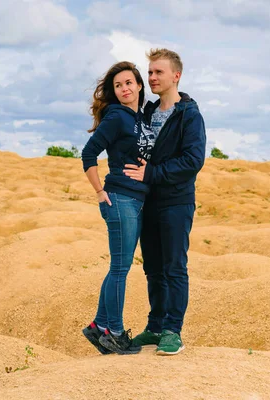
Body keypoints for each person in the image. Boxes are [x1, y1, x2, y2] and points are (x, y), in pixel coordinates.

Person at [123, 48, 206, 356]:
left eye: (158, 72)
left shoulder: (189, 115)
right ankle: (155, 326)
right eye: (150, 72)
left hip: (176, 201)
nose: (152, 77)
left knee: (173, 267)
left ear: (176, 76)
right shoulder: (146, 113)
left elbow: (193, 160)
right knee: (153, 268)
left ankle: (173, 330)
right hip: (147, 201)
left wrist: (152, 172)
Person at [80, 61, 155, 355]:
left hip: (136, 199)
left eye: (128, 83)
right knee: (120, 268)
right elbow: (88, 154)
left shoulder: (141, 119)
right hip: (120, 198)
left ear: (139, 85)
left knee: (119, 267)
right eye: (118, 85)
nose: (124, 88)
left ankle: (98, 326)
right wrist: (100, 191)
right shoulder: (116, 118)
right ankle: (114, 332)